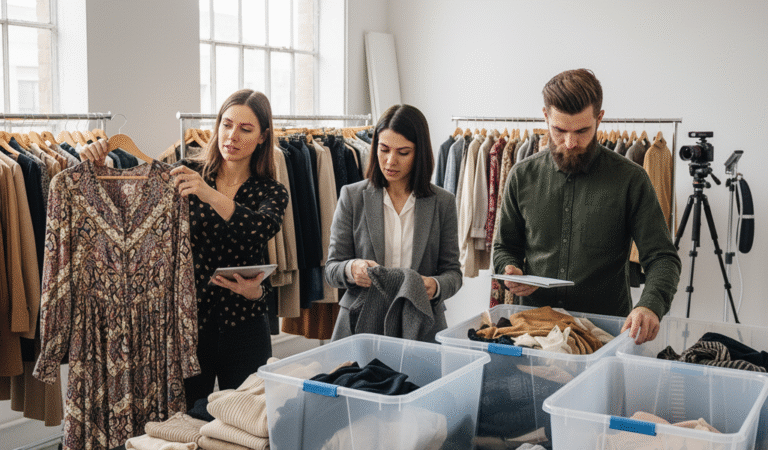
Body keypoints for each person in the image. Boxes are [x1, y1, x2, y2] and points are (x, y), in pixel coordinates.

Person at [81, 89, 289, 409]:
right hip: (189, 325)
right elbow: (133, 218)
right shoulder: (184, 172)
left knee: (248, 417)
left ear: (263, 136)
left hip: (246, 324)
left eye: (245, 129)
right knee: (186, 419)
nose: (231, 136)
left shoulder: (270, 190)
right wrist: (99, 165)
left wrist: (208, 194)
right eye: (226, 124)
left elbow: (259, 229)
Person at [493, 69, 681, 345]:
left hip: (603, 335)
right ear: (545, 117)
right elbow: (504, 248)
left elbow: (663, 258)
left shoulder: (630, 179)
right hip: (535, 332)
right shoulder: (521, 175)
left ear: (599, 118)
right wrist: (510, 270)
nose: (570, 143)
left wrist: (650, 304)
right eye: (559, 130)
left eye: (582, 131)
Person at [324, 104, 462, 342]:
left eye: (403, 152)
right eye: (384, 149)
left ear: (419, 153)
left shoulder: (443, 202)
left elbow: (453, 272)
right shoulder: (352, 196)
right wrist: (352, 269)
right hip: (360, 324)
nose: (390, 161)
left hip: (420, 321)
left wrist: (435, 286)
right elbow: (331, 268)